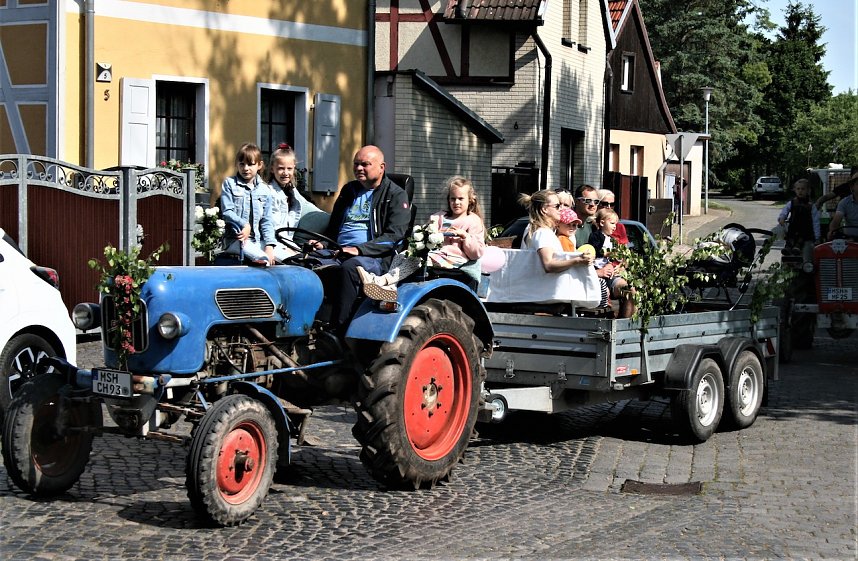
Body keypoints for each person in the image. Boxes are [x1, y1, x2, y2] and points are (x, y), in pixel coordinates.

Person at [311, 145, 411, 331]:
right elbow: (333, 228)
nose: (358, 168)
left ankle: (337, 331)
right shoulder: (349, 190)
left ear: (382, 167)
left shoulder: (396, 195)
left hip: (376, 258)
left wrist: (359, 249)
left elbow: (394, 236)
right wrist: (322, 243)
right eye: (356, 164)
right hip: (338, 250)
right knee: (301, 263)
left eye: (365, 164)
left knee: (350, 268)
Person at [357, 176, 487, 300]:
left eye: (460, 199)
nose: (456, 202)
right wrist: (425, 231)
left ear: (470, 200)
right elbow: (425, 234)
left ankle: (382, 280)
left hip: (451, 259)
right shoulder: (440, 217)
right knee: (402, 255)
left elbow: (477, 252)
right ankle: (391, 287)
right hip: (434, 254)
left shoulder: (473, 221)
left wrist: (465, 236)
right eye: (452, 199)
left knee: (417, 260)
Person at [219, 142, 276, 265]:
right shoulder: (229, 184)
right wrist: (244, 224)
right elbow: (227, 212)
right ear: (237, 165)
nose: (245, 168)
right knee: (264, 259)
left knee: (285, 259)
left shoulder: (265, 190)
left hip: (257, 241)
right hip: (236, 240)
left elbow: (267, 220)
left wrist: (270, 245)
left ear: (259, 165)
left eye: (250, 164)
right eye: (242, 164)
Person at [266, 143, 323, 261]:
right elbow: (270, 226)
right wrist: (281, 246)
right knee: (300, 263)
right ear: (272, 169)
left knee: (317, 259)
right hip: (272, 244)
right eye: (281, 168)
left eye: (289, 169)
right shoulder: (268, 193)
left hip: (287, 242)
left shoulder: (292, 191)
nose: (285, 173)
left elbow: (310, 209)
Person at [519, 190, 593, 273]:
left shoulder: (546, 231)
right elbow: (548, 265)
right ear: (544, 209)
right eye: (557, 206)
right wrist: (578, 260)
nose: (561, 209)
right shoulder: (543, 232)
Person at [588, 207, 634, 317]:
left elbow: (614, 257)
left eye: (616, 224)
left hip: (610, 272)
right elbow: (593, 251)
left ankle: (624, 324)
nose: (615, 227)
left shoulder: (610, 239)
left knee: (630, 290)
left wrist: (618, 261)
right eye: (612, 223)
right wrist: (607, 254)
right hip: (598, 270)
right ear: (602, 222)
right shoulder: (596, 236)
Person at [778, 179, 820, 261]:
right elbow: (784, 211)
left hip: (806, 231)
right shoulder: (792, 203)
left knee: (803, 240)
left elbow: (816, 222)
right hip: (793, 229)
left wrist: (817, 236)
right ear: (795, 190)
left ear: (808, 191)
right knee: (790, 239)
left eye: (803, 189)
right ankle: (788, 249)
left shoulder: (811, 206)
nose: (800, 191)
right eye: (798, 189)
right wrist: (782, 217)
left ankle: (797, 248)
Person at [827, 172, 858, 240]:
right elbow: (836, 221)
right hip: (850, 240)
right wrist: (832, 231)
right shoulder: (844, 202)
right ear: (852, 187)